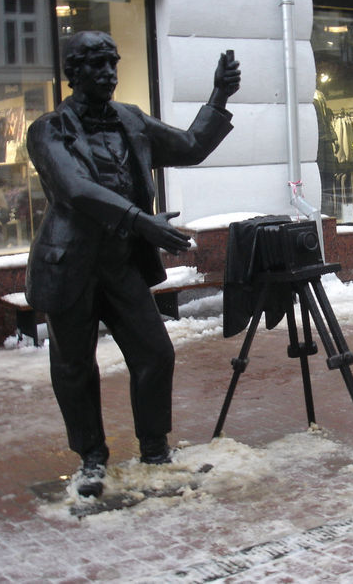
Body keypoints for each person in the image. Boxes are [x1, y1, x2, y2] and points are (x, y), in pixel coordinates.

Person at [25, 30, 240, 497]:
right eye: (96, 66)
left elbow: (189, 146)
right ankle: (92, 459)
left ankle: (155, 449)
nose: (108, 74)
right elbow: (76, 189)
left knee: (155, 353)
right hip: (70, 265)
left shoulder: (131, 120)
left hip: (120, 264)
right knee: (75, 366)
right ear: (73, 74)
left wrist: (219, 94)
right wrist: (144, 223)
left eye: (112, 64)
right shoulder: (48, 130)